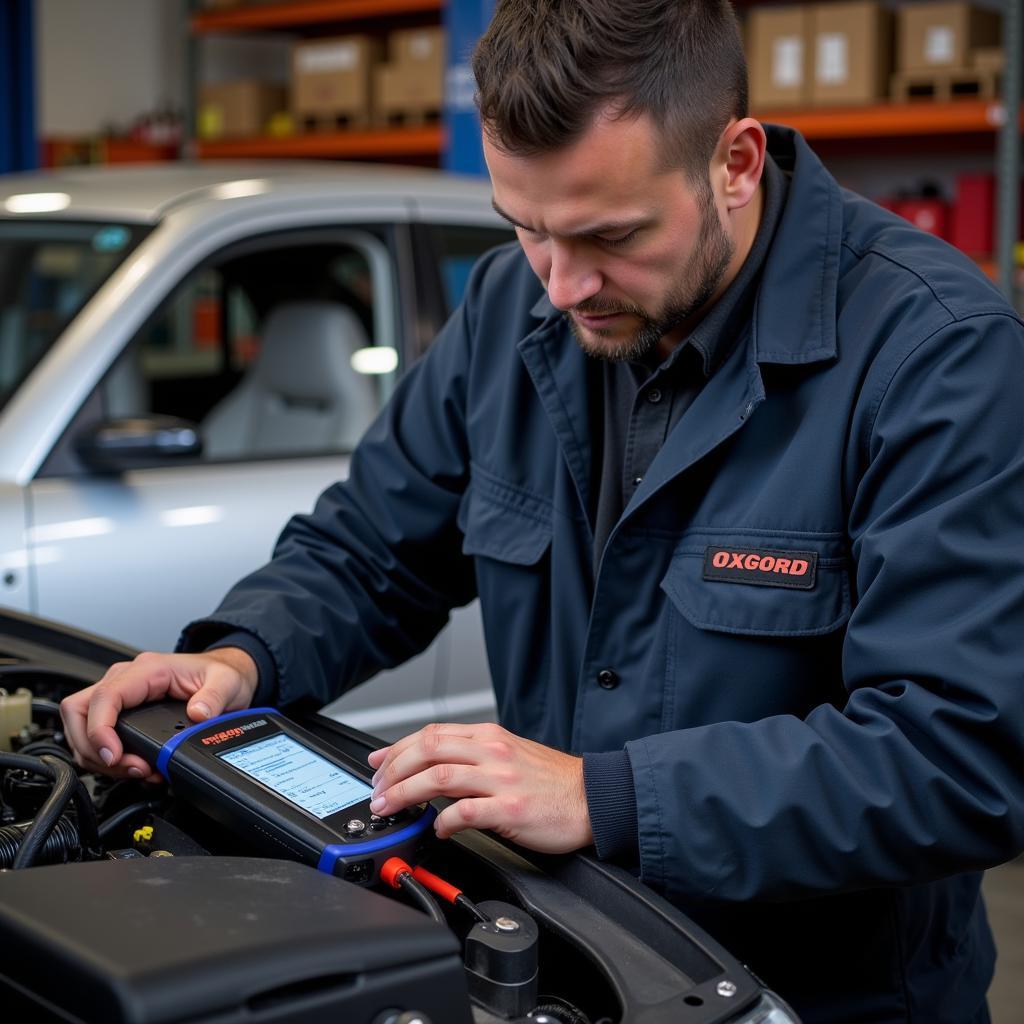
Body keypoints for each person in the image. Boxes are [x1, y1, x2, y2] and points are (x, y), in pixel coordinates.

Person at [62, 2, 1024, 1020]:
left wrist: (605, 796)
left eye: (610, 235)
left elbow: (961, 753)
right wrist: (240, 654)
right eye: (527, 229)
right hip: (569, 963)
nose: (563, 287)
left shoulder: (939, 357)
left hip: (817, 997)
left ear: (734, 163)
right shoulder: (503, 314)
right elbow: (367, 548)